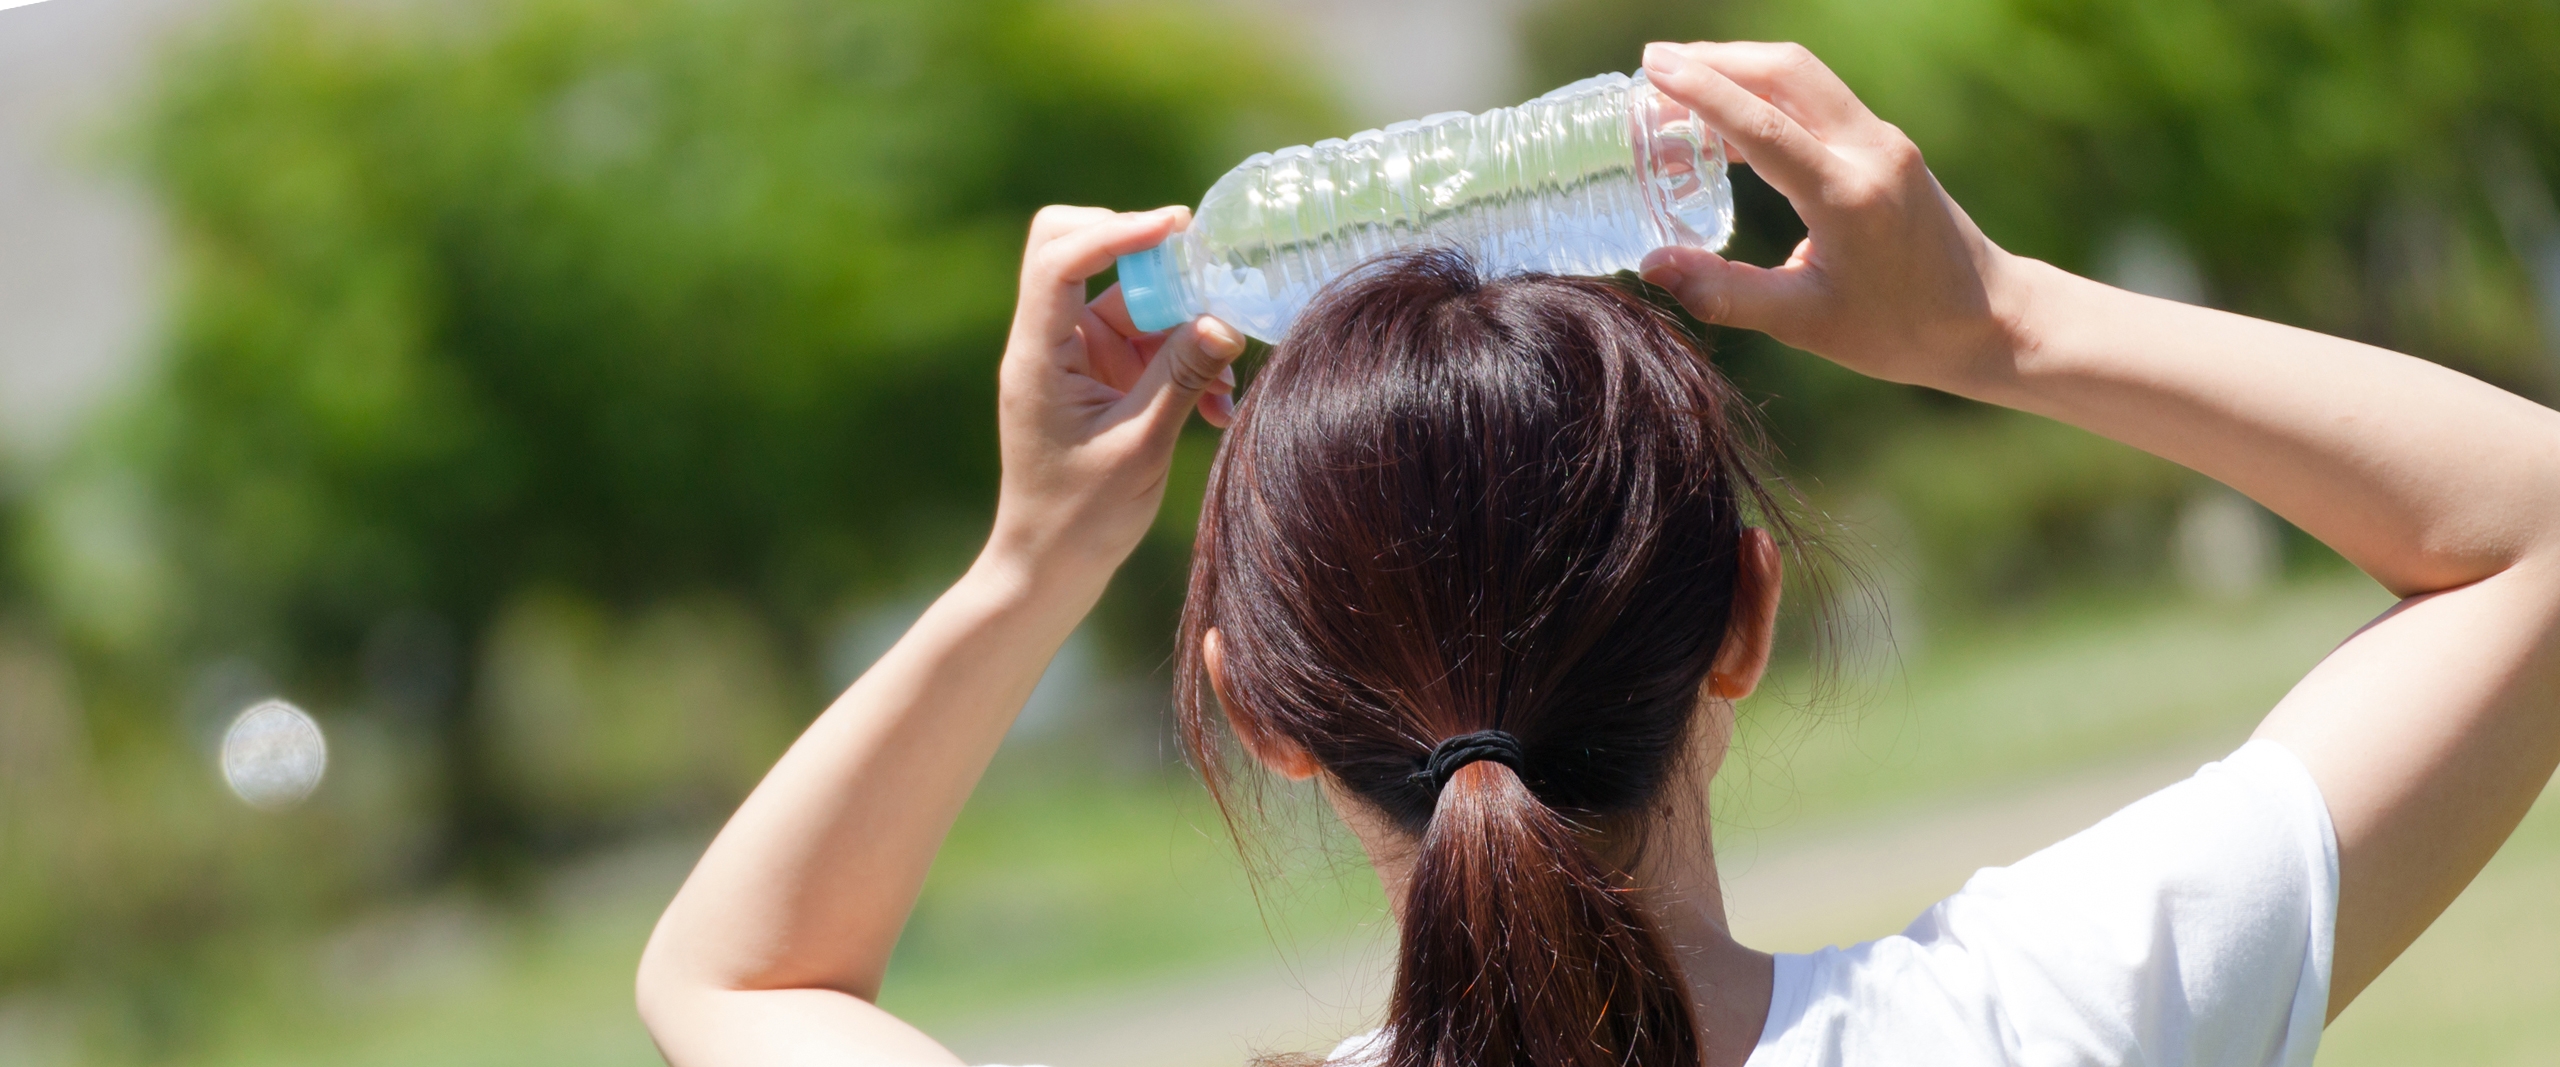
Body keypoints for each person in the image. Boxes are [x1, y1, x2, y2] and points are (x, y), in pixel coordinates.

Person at [633, 40, 2560, 1067]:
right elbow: (2528, 534)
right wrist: (2000, 323)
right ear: (1745, 612)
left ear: (1265, 712)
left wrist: (1026, 565)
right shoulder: (2044, 1019)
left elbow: (734, 981)